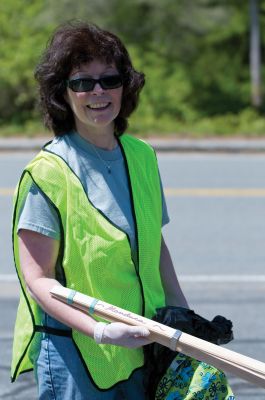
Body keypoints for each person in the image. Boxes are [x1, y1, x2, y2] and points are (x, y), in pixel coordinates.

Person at [11, 21, 188, 399]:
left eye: (109, 79)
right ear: (63, 93)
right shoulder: (48, 172)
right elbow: (38, 280)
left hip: (142, 345)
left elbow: (153, 244)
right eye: (81, 82)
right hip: (77, 354)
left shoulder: (142, 156)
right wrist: (102, 331)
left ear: (126, 86)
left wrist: (183, 315)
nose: (97, 92)